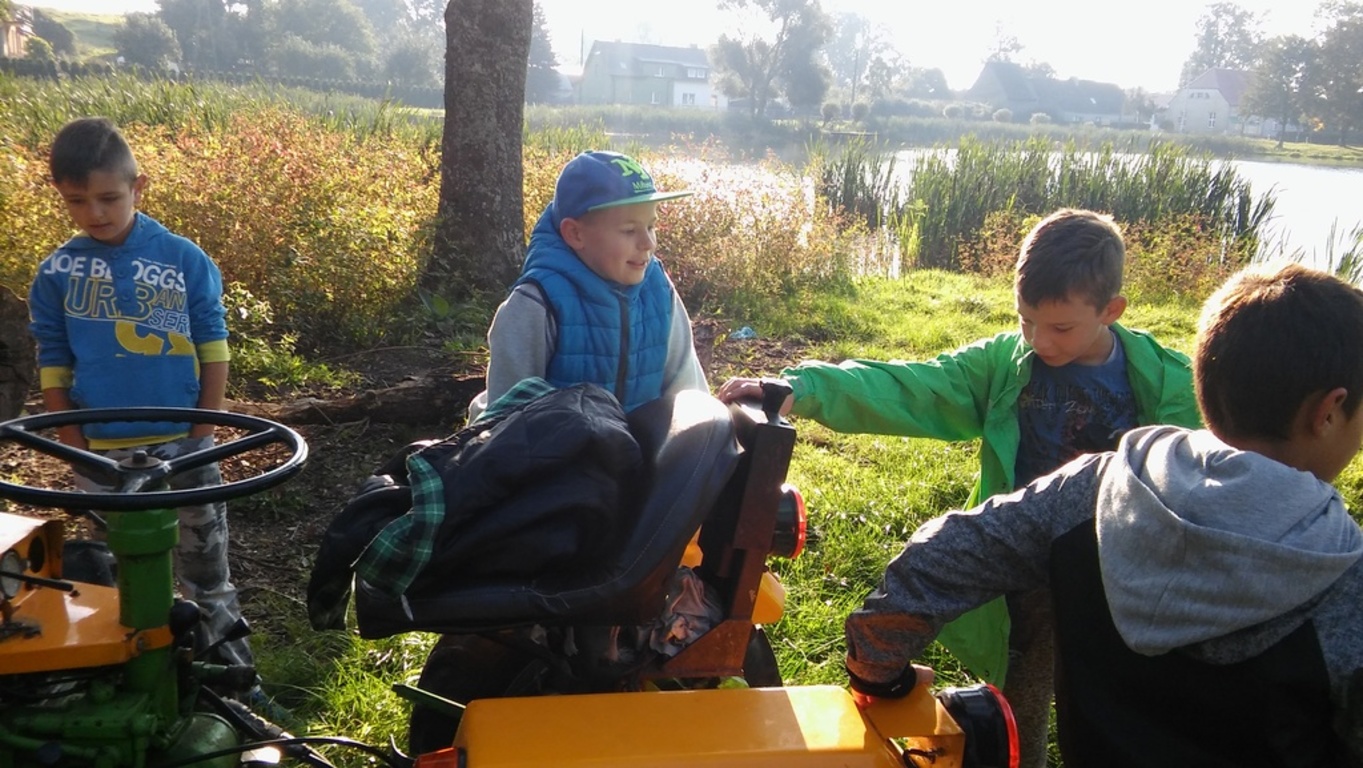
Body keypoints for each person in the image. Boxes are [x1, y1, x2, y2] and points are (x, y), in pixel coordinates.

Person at [716, 208, 1200, 768]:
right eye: (1026, 321)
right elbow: (914, 387)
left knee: (1115, 708)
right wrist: (803, 388)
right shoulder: (1004, 365)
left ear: (1111, 311)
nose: (1039, 340)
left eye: (1061, 328)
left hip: (1121, 571)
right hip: (1029, 567)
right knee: (1021, 701)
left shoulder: (1171, 383)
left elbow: (1234, 454)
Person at [843, 262, 1363, 767]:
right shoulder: (1346, 578)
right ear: (1329, 411)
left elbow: (945, 554)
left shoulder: (1096, 487)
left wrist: (877, 670)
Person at [27, 117, 258, 698]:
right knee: (117, 578)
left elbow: (212, 344)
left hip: (182, 448)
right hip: (101, 454)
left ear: (138, 187)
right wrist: (72, 445)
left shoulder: (182, 259)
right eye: (76, 201)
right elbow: (54, 360)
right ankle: (130, 686)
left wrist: (204, 428)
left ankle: (234, 682)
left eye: (108, 198)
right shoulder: (56, 273)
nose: (94, 214)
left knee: (206, 573)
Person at [466, 149, 708, 423]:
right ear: (575, 234)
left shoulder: (658, 291)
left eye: (651, 227)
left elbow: (688, 392)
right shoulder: (537, 303)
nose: (648, 243)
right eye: (629, 230)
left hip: (644, 448)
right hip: (553, 449)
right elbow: (503, 421)